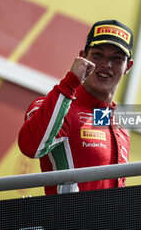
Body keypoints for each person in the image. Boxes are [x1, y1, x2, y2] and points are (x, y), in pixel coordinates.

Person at [18, 20, 134, 195]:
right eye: (97, 55)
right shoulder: (55, 107)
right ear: (83, 57)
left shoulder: (118, 127)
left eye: (116, 59)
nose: (106, 64)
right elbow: (30, 147)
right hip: (65, 221)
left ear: (128, 67)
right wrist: (71, 81)